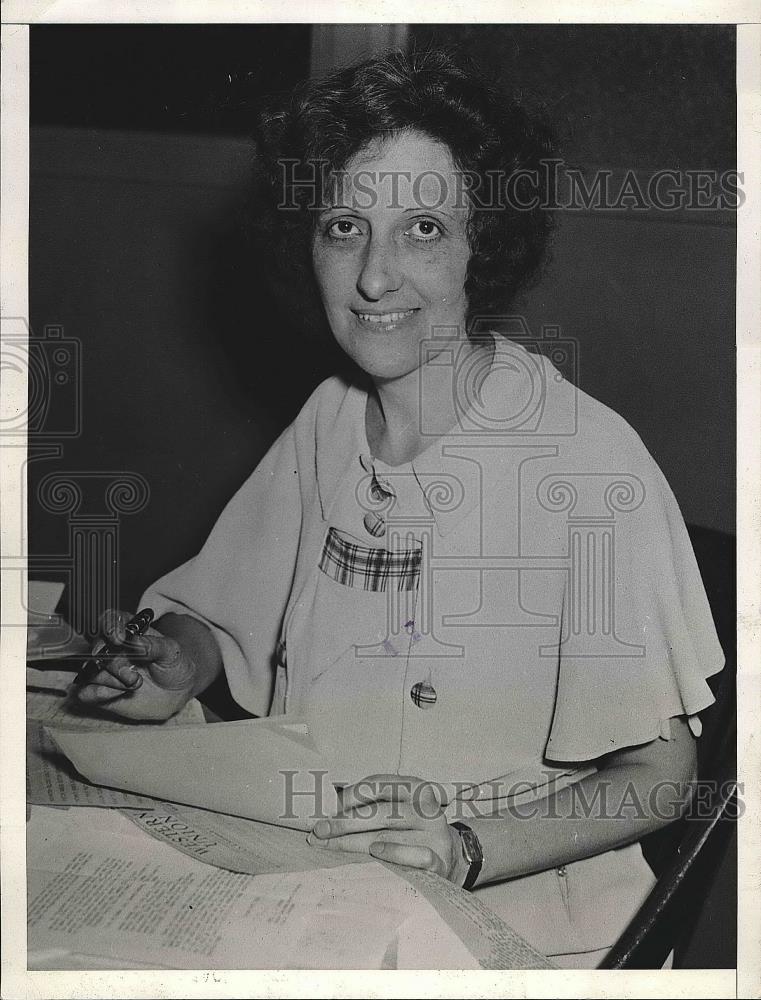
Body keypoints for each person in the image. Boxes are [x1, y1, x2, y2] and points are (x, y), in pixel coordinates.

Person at [72, 49, 725, 968]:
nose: (374, 277)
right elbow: (218, 615)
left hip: (528, 918)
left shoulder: (586, 463)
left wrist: (464, 846)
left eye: (422, 228)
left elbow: (659, 781)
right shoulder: (330, 418)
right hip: (321, 875)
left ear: (481, 246)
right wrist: (172, 667)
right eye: (345, 226)